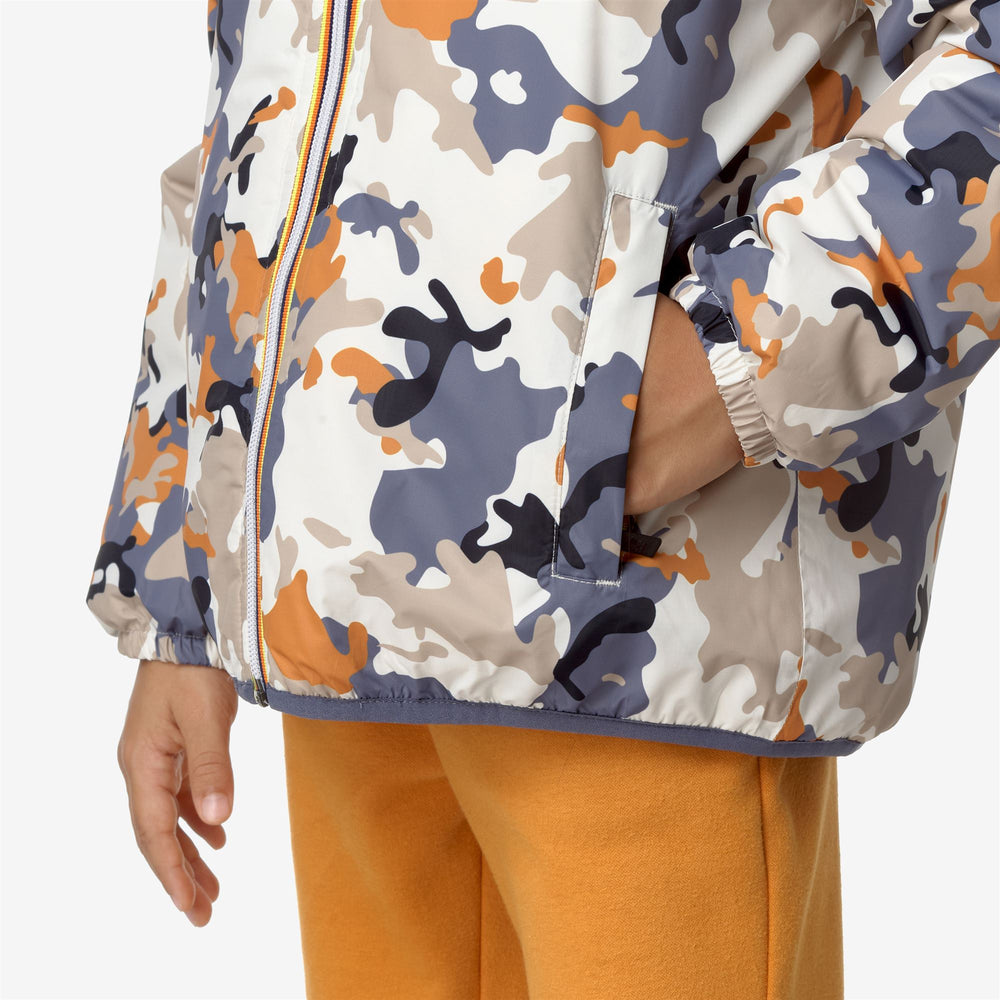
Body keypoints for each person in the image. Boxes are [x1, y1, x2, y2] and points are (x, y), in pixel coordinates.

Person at [90, 1, 1000, 997]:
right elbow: (267, 91)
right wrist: (179, 579)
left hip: (642, 624)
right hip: (332, 618)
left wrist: (732, 358)